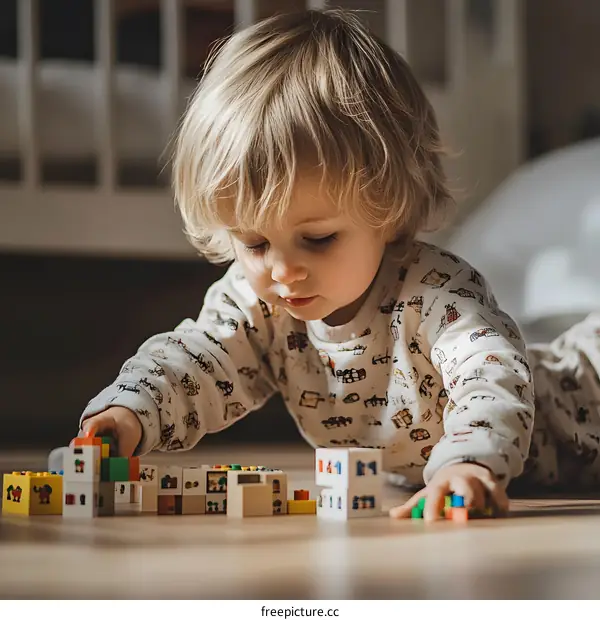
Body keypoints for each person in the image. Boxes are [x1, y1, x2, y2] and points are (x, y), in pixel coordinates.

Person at [74, 8, 600, 521]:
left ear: (388, 210)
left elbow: (491, 378)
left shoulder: (437, 292)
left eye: (318, 239)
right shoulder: (258, 303)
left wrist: (466, 464)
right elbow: (199, 360)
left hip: (582, 410)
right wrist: (130, 412)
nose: (282, 270)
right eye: (255, 243)